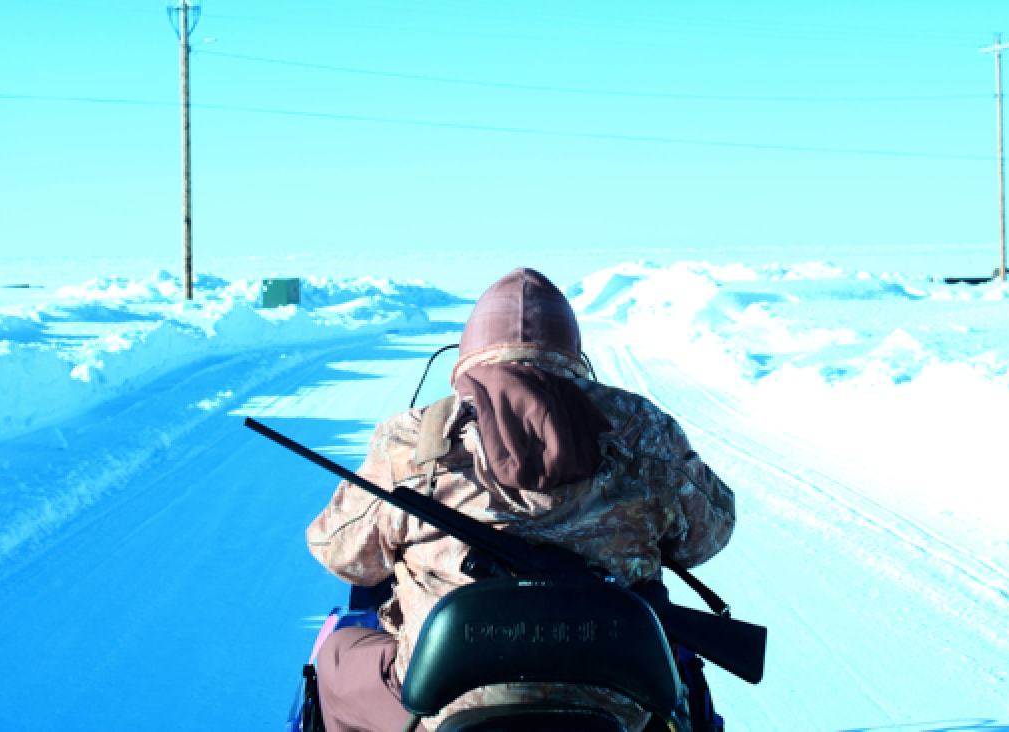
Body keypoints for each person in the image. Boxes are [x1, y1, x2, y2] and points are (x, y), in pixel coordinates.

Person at [307, 268, 736, 732]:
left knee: (335, 654)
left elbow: (343, 556)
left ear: (470, 351)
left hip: (443, 708)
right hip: (622, 701)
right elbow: (707, 537)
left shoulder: (412, 441)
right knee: (685, 679)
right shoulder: (645, 431)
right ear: (571, 351)